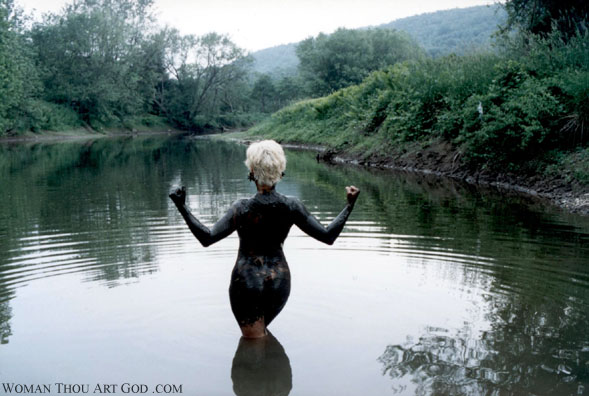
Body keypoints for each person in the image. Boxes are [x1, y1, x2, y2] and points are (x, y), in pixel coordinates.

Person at [169, 140, 359, 338]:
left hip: (248, 282)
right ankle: (272, 365)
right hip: (279, 282)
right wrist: (349, 206)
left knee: (253, 344)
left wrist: (182, 207)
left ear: (252, 171)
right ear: (280, 171)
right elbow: (328, 236)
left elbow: (207, 238)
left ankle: (265, 366)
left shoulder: (241, 208)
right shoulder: (291, 206)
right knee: (261, 335)